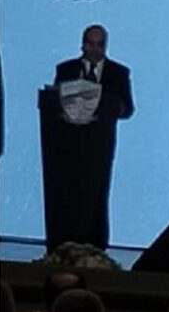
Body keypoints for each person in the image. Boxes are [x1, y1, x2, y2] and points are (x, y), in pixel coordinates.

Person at [49, 24, 134, 251]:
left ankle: (96, 247)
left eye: (99, 45)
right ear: (83, 44)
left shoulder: (118, 73)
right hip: (68, 146)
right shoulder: (66, 69)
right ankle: (64, 244)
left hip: (99, 146)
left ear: (105, 46)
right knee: (68, 196)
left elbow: (127, 109)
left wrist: (110, 105)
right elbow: (52, 103)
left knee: (97, 196)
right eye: (90, 44)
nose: (95, 49)